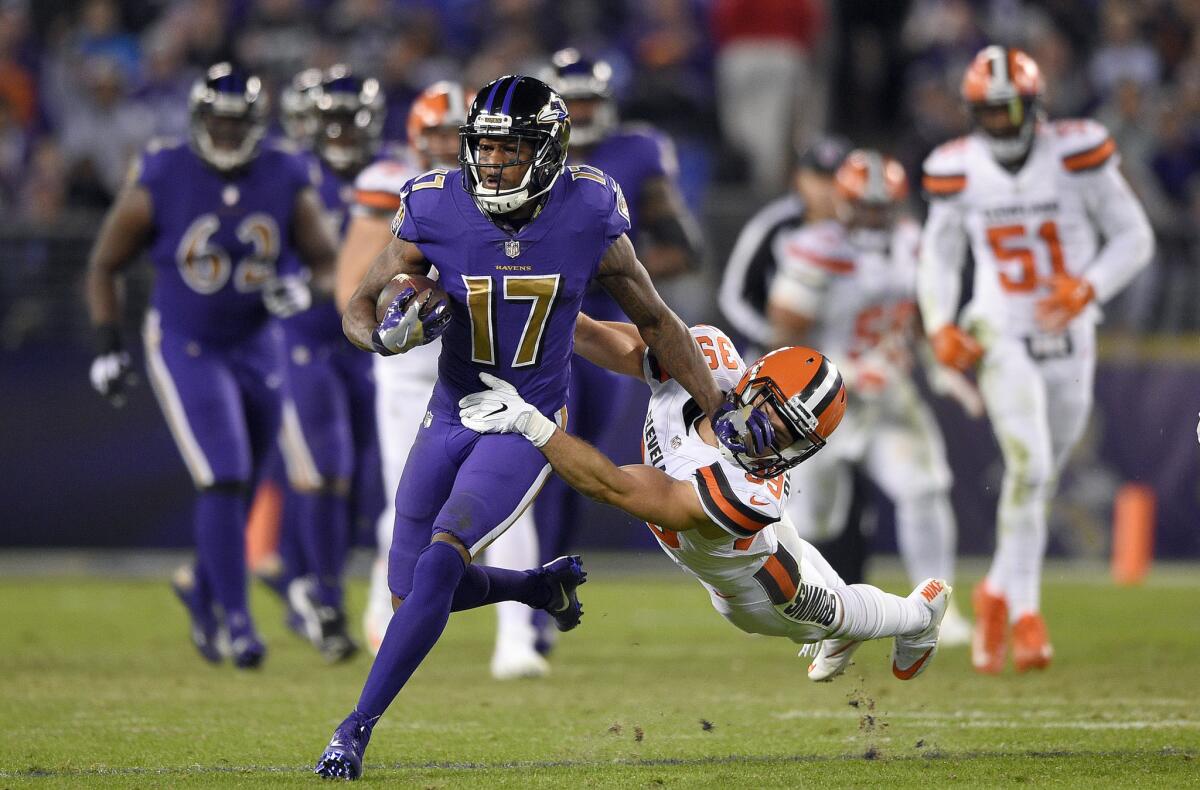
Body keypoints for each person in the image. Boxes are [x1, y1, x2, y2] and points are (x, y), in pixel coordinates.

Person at [315, 74, 755, 780]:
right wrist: (383, 341)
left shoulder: (588, 211)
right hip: (450, 410)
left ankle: (354, 728)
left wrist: (715, 404)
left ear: (546, 153)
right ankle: (532, 587)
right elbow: (359, 304)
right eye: (483, 149)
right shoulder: (434, 205)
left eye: (508, 151)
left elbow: (655, 320)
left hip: (526, 420)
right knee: (409, 594)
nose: (490, 164)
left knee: (440, 561)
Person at [459, 319, 952, 684]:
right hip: (755, 543)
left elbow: (613, 486)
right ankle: (875, 625)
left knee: (819, 613)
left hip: (758, 588)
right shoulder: (706, 360)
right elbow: (602, 338)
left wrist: (531, 423)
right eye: (770, 416)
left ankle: (918, 618)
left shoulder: (747, 492)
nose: (768, 442)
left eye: (789, 439)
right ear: (751, 380)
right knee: (797, 553)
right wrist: (527, 317)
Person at [85, 63, 338, 668]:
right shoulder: (163, 170)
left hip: (258, 346)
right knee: (223, 475)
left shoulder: (283, 171)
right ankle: (236, 622)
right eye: (217, 124)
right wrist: (106, 345)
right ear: (199, 122)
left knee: (244, 484)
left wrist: (305, 290)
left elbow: (327, 262)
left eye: (237, 124)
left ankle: (200, 589)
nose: (226, 136)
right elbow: (104, 263)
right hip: (186, 343)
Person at [918, 46, 1154, 674]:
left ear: (1035, 106)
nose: (998, 121)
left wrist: (1090, 285)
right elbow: (938, 257)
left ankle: (996, 588)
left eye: (1008, 108)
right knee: (1031, 461)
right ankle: (1025, 612)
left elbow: (1136, 236)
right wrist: (941, 323)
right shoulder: (958, 168)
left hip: (1071, 332)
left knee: (1040, 477)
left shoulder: (1076, 154)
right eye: (987, 111)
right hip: (1000, 330)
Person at [334, 80, 548, 680]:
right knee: (407, 504)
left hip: (491, 367)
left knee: (507, 506)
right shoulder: (407, 190)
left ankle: (516, 638)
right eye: (429, 132)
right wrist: (390, 324)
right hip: (411, 371)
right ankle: (385, 614)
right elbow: (355, 287)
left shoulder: (521, 193)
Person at [527, 49, 702, 655]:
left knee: (574, 464)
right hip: (533, 318)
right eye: (568, 103)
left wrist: (611, 274)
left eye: (587, 103)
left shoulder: (635, 155)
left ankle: (545, 587)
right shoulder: (520, 150)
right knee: (543, 458)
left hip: (604, 324)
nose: (578, 115)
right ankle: (533, 600)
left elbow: (685, 247)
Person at [768, 149, 971, 645]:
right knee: (810, 519)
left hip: (888, 400)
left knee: (923, 488)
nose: (874, 216)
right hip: (816, 404)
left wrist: (943, 372)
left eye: (883, 206)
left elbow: (921, 321)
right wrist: (851, 371)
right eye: (866, 205)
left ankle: (939, 607)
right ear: (845, 201)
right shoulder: (815, 246)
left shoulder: (912, 244)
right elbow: (784, 330)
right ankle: (803, 613)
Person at [270, 65, 389, 663]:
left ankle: (309, 583)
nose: (340, 130)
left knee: (360, 477)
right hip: (304, 340)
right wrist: (279, 281)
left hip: (366, 346)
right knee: (325, 468)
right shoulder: (288, 173)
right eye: (331, 120)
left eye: (350, 119)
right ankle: (318, 594)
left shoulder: (394, 170)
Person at [719, 135, 850, 355]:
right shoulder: (774, 224)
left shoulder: (864, 229)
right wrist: (769, 336)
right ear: (799, 178)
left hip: (845, 355)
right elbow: (733, 293)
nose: (827, 189)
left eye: (836, 179)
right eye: (818, 178)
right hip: (778, 354)